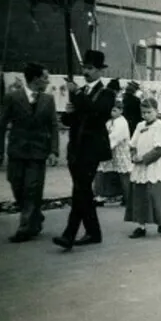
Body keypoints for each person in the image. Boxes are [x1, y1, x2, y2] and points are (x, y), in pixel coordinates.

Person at [52, 50, 116, 251]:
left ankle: (69, 234)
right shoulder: (81, 92)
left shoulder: (107, 93)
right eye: (84, 68)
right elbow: (70, 121)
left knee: (80, 189)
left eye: (90, 68)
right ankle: (93, 233)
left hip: (92, 150)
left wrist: (78, 94)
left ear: (99, 71)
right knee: (83, 190)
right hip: (76, 148)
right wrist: (68, 113)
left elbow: (97, 113)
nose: (86, 72)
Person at [0, 62, 59, 243]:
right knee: (16, 185)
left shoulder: (48, 100)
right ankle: (35, 217)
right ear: (35, 79)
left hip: (38, 152)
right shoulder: (12, 98)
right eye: (45, 77)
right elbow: (0, 125)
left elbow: (53, 126)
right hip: (16, 151)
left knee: (32, 189)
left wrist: (54, 151)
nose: (48, 81)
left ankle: (24, 228)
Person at [125, 98, 161, 238]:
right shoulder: (140, 125)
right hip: (141, 166)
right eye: (144, 112)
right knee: (140, 195)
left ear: (156, 112)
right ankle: (141, 226)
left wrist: (144, 158)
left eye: (149, 112)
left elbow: (160, 149)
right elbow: (132, 144)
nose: (146, 115)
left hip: (155, 165)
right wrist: (134, 155)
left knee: (155, 195)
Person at [94, 100, 132, 207]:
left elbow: (114, 137)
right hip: (109, 150)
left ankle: (128, 197)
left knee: (123, 173)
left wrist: (104, 147)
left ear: (121, 111)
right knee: (101, 170)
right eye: (111, 110)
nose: (112, 112)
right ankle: (100, 196)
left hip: (120, 151)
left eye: (115, 110)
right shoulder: (109, 121)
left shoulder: (122, 122)